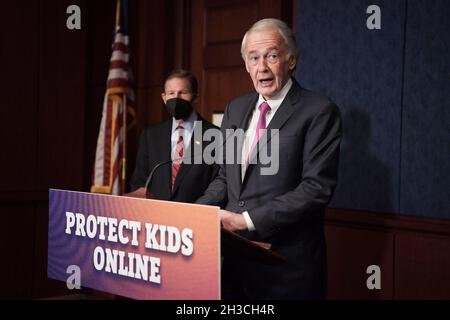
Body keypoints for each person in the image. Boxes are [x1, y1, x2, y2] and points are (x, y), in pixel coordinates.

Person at [196, 18, 342, 299]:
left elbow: (316, 188)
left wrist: (245, 220)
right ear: (246, 65)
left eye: (271, 56)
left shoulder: (319, 111)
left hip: (286, 268)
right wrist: (195, 214)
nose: (262, 67)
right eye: (254, 58)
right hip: (233, 265)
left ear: (291, 60)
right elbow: (226, 177)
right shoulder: (235, 109)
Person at [129, 70, 219, 203]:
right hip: (156, 218)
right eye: (171, 93)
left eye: (183, 92)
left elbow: (219, 183)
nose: (176, 98)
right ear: (164, 98)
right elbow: (139, 182)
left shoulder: (214, 136)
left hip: (196, 217)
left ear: (195, 97)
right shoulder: (151, 135)